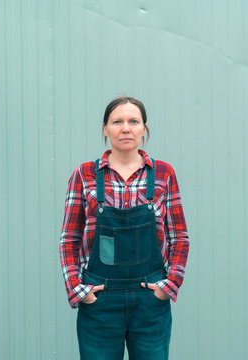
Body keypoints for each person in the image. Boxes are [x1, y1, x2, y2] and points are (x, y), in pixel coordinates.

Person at [59, 96, 190, 360]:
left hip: (150, 300)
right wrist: (79, 290)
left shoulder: (164, 174)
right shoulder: (84, 174)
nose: (126, 128)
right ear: (105, 129)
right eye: (117, 121)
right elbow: (69, 239)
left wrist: (169, 285)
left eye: (133, 121)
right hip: (100, 299)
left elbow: (179, 237)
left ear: (144, 128)